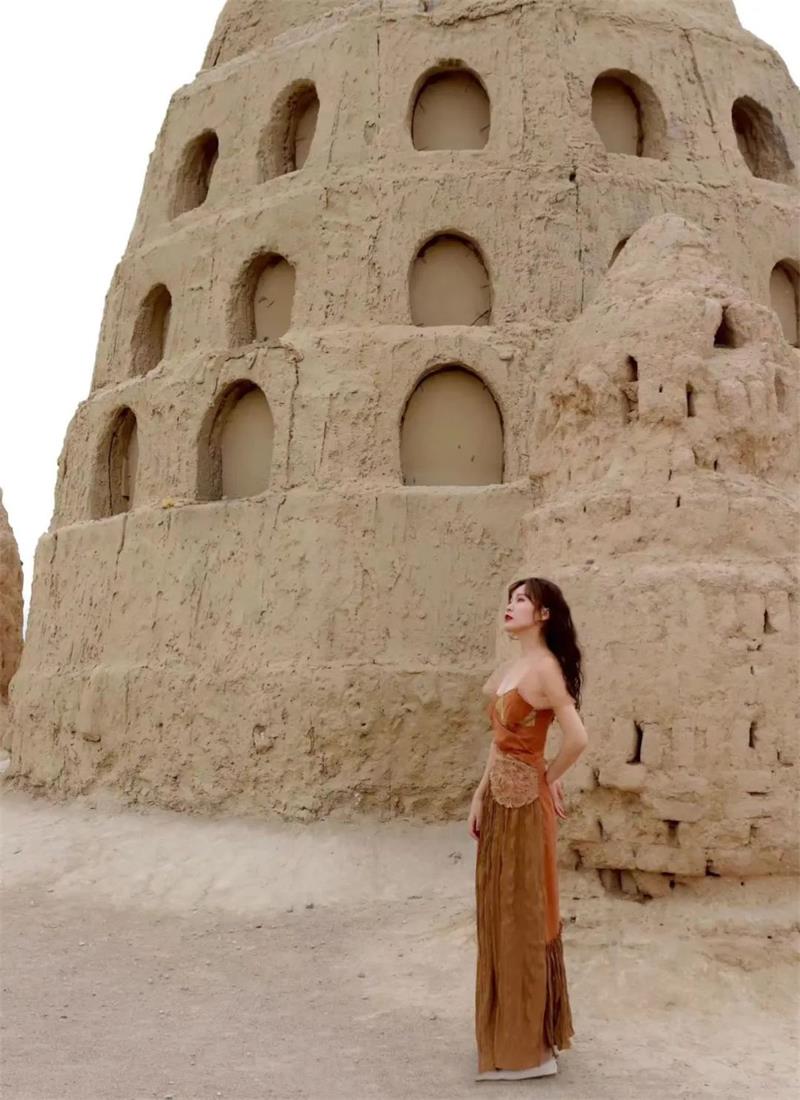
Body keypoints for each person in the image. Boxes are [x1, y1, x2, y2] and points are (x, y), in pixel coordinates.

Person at [470, 576, 589, 1082]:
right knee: (499, 913)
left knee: (523, 914)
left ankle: (531, 1051)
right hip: (499, 803)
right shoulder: (512, 667)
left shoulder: (546, 669)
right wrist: (479, 794)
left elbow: (577, 739)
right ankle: (511, 1041)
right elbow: (499, 741)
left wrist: (546, 777)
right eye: (510, 598)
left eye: (522, 599)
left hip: (525, 805)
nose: (511, 605)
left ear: (543, 615)